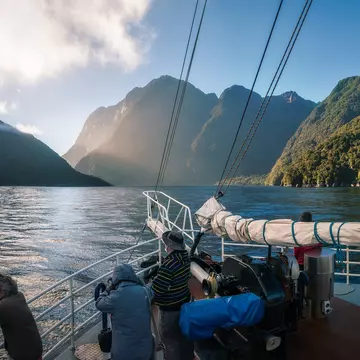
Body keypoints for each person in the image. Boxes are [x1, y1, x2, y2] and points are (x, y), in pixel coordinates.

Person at [149, 230, 194, 360]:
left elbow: (157, 290)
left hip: (169, 310)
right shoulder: (186, 257)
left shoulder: (168, 265)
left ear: (169, 246)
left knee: (170, 343)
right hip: (184, 305)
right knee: (185, 338)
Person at [96, 264, 153, 360]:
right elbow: (146, 288)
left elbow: (99, 303)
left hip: (124, 353)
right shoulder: (145, 292)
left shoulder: (115, 298)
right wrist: (138, 280)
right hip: (145, 350)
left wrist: (109, 288)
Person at [0, 274, 43, 360]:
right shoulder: (19, 295)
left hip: (24, 355)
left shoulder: (3, 306)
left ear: (2, 291)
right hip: (35, 349)